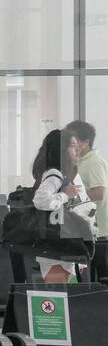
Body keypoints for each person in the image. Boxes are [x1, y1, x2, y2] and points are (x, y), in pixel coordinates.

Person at [29, 129, 92, 284]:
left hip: (65, 247)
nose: (77, 150)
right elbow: (41, 200)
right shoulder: (55, 175)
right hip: (56, 249)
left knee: (65, 298)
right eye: (72, 146)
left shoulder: (65, 175)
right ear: (61, 150)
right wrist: (65, 195)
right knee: (58, 300)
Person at [66, 119, 107, 281]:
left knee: (102, 276)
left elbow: (99, 192)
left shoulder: (93, 162)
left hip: (102, 232)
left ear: (85, 142)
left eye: (74, 142)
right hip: (90, 230)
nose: (72, 145)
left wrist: (74, 194)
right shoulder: (81, 163)